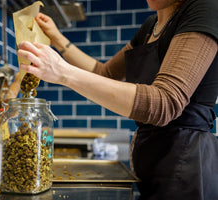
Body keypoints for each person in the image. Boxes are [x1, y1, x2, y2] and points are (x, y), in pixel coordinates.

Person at [17, 0, 218, 199]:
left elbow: (163, 104)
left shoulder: (204, 8)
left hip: (186, 167)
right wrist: (57, 38)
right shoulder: (151, 25)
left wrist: (62, 72)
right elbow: (106, 74)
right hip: (155, 163)